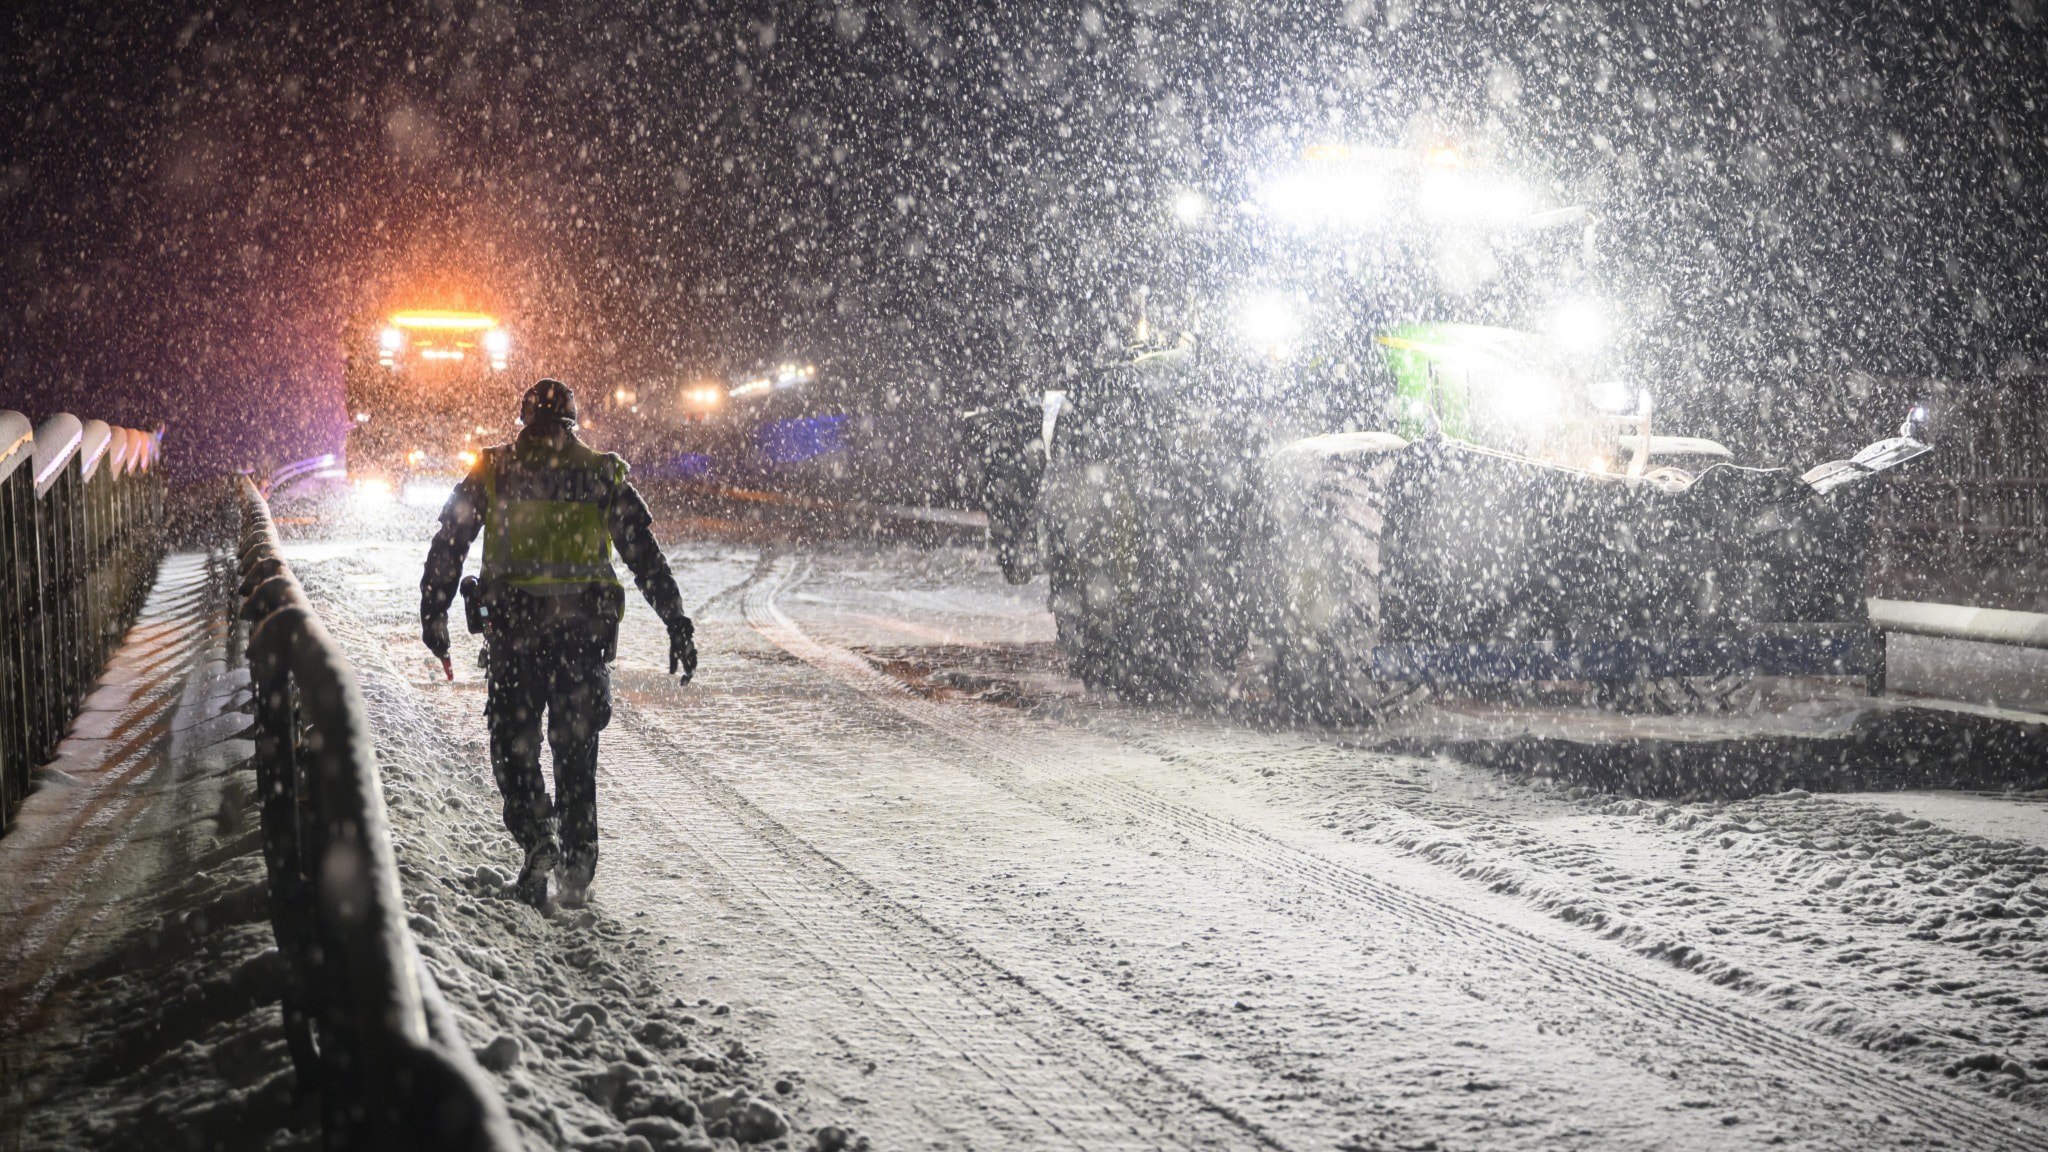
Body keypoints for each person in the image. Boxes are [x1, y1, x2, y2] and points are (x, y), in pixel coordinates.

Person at [420, 379, 697, 908]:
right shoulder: (600, 474)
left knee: (514, 750)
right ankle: (576, 867)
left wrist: (434, 612)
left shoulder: (495, 470)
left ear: (523, 423)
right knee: (576, 758)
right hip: (581, 644)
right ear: (573, 424)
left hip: (515, 642)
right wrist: (676, 620)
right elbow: (644, 556)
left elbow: (449, 542)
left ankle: (536, 836)